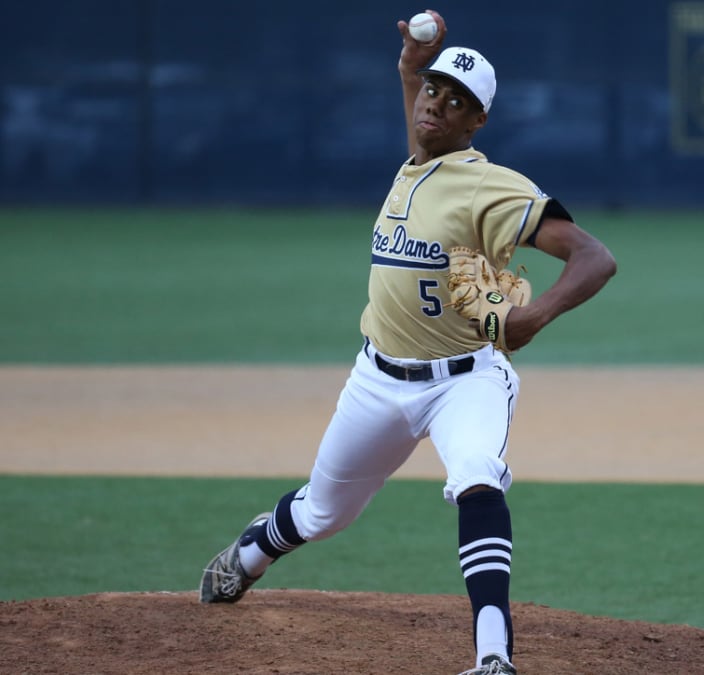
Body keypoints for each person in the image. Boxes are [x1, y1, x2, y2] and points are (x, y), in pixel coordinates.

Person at [197, 10, 617, 675]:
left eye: (458, 102)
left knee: (478, 476)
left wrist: (534, 317)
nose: (437, 105)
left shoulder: (492, 187)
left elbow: (595, 257)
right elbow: (422, 123)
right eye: (433, 91)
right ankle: (248, 557)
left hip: (465, 380)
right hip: (376, 381)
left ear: (477, 122)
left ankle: (493, 657)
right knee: (322, 512)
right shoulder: (416, 163)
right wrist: (408, 68)